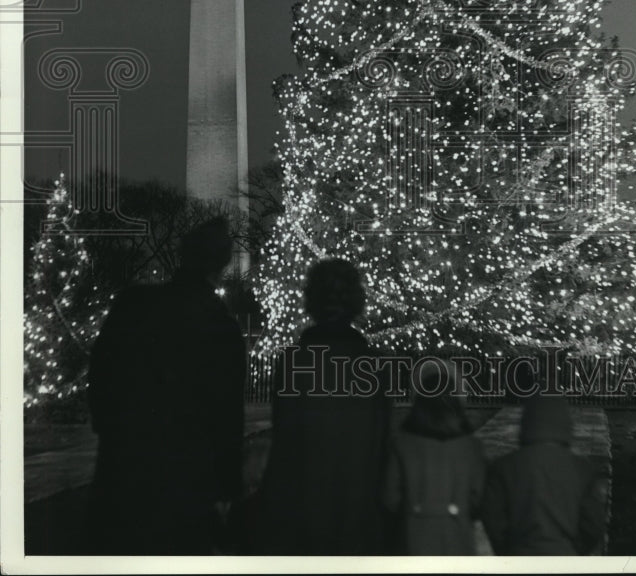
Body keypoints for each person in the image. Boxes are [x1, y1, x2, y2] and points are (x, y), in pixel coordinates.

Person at [86, 216, 246, 554]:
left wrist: (111, 433)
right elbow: (227, 418)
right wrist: (228, 488)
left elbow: (100, 374)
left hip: (124, 468)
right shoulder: (223, 327)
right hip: (188, 480)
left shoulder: (132, 304)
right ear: (222, 262)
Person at [247, 258, 391, 554]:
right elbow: (381, 445)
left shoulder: (294, 362)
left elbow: (285, 443)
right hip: (358, 513)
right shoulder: (373, 365)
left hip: (302, 513)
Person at [480, 392, 608, 555]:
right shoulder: (581, 469)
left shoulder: (504, 467)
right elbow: (593, 523)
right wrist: (572, 551)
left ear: (527, 421)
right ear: (565, 422)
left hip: (520, 557)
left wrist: (509, 551)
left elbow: (493, 519)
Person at [383, 358, 486, 555]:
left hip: (413, 540)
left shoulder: (402, 444)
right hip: (458, 540)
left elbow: (390, 498)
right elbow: (478, 500)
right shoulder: (471, 447)